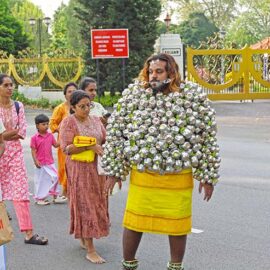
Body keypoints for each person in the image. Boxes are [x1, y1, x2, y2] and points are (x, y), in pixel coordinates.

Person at [102, 53, 221, 270]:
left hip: (178, 177)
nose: (153, 76)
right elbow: (117, 133)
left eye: (159, 71)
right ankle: (128, 264)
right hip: (144, 175)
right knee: (134, 222)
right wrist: (115, 171)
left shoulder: (191, 96)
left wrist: (207, 176)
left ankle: (175, 266)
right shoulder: (134, 95)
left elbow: (206, 136)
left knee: (177, 225)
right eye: (150, 71)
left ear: (171, 73)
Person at [59, 90, 114, 264]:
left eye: (88, 105)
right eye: (81, 106)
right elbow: (66, 148)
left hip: (97, 170)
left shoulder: (96, 120)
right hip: (79, 171)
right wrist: (89, 147)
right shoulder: (69, 122)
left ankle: (85, 237)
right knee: (85, 204)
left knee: (98, 202)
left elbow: (105, 139)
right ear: (73, 107)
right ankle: (90, 250)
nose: (86, 109)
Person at [0, 73, 48, 245]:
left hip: (15, 155)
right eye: (5, 85)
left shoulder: (18, 106)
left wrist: (3, 134)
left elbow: (21, 133)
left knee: (20, 192)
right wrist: (9, 133)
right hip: (0, 154)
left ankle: (29, 234)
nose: (10, 88)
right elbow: (13, 132)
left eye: (11, 85)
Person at [49, 82, 78, 199]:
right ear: (65, 94)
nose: (71, 94)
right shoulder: (60, 108)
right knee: (64, 167)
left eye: (74, 91)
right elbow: (52, 124)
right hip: (64, 144)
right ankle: (65, 190)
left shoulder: (80, 106)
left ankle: (74, 191)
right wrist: (61, 128)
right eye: (69, 91)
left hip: (78, 144)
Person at [31, 114, 66, 205]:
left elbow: (56, 145)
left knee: (55, 177)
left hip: (50, 162)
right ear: (37, 126)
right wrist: (36, 161)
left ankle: (55, 196)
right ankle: (40, 199)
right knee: (41, 181)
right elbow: (33, 150)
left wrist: (62, 136)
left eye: (47, 124)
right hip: (40, 163)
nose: (46, 126)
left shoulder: (50, 136)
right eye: (43, 124)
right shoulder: (34, 138)